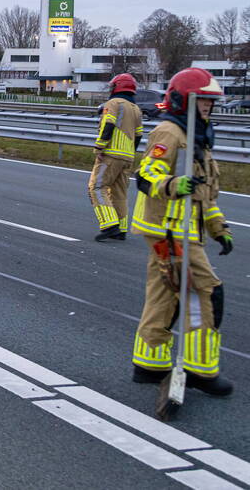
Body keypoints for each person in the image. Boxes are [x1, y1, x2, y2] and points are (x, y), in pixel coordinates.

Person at [130, 68, 234, 396]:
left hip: (180, 229)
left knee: (164, 294)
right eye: (201, 100)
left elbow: (204, 195)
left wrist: (219, 228)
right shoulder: (170, 133)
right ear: (184, 99)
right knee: (206, 291)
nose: (207, 107)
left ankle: (148, 364)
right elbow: (147, 176)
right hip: (171, 230)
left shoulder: (196, 136)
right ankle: (200, 369)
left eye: (210, 102)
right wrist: (174, 184)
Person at [88, 73, 143, 242]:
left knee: (97, 187)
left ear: (117, 87)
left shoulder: (113, 103)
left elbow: (108, 124)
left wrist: (100, 145)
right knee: (120, 193)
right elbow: (139, 135)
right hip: (128, 156)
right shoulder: (136, 109)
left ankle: (110, 224)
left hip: (111, 153)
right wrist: (130, 153)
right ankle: (121, 229)